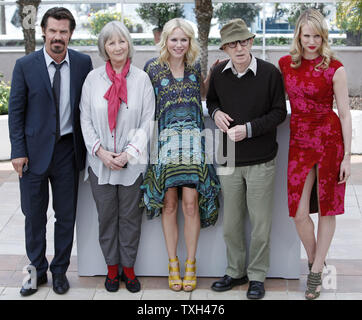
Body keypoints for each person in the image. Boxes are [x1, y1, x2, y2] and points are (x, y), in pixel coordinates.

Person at [8, 7, 93, 296]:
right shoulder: (25, 65)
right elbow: (16, 112)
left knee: (65, 216)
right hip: (31, 154)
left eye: (64, 31)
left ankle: (59, 272)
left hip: (68, 151)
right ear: (44, 31)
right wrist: (17, 151)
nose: (58, 37)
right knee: (34, 216)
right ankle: (35, 273)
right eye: (53, 31)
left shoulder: (83, 63)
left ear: (70, 34)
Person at [207, 19, 287, 299]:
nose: (239, 48)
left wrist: (249, 129)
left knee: (261, 223)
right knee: (231, 224)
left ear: (251, 42)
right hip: (229, 159)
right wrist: (215, 113)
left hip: (261, 160)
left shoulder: (269, 74)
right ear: (225, 48)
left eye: (243, 42)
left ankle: (256, 276)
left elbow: (279, 112)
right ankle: (235, 271)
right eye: (232, 44)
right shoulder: (219, 74)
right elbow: (212, 101)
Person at [140, 18, 220, 292]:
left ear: (190, 42)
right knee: (170, 205)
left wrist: (212, 77)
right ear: (165, 40)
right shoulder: (151, 69)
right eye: (173, 39)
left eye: (183, 39)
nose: (178, 44)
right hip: (164, 148)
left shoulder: (195, 67)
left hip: (193, 147)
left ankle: (191, 264)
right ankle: (172, 263)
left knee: (190, 204)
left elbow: (202, 97)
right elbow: (142, 106)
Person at [278, 9, 351, 300]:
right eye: (306, 35)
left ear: (324, 37)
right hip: (299, 140)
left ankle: (316, 272)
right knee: (298, 213)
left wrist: (348, 156)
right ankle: (314, 260)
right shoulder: (285, 64)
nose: (311, 42)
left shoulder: (335, 67)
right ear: (298, 35)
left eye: (317, 36)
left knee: (327, 207)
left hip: (329, 139)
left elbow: (345, 114)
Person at [80, 21, 155, 293]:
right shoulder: (92, 79)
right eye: (111, 42)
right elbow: (85, 119)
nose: (117, 47)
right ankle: (112, 270)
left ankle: (130, 270)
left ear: (129, 44)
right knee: (107, 218)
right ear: (104, 48)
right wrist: (100, 151)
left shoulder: (142, 79)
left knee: (131, 219)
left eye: (121, 41)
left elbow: (148, 120)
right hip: (100, 165)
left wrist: (128, 154)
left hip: (131, 164)